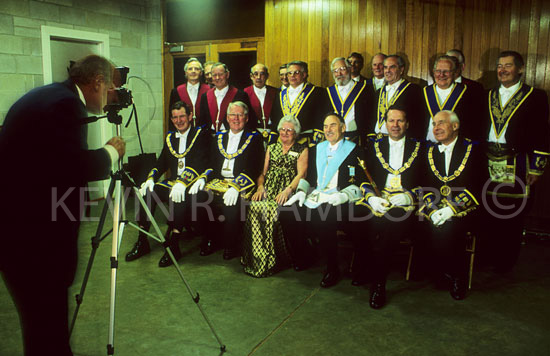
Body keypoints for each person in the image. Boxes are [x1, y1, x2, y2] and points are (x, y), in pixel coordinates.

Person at [0, 54, 125, 356]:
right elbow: (73, 167)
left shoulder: (48, 96)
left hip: (17, 232)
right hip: (34, 241)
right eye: (110, 88)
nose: (112, 97)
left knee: (40, 328)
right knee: (47, 329)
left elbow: (49, 163)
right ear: (97, 83)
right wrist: (110, 152)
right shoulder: (66, 106)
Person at [280, 113, 366, 287]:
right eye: (326, 126)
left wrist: (344, 195)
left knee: (323, 217)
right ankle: (305, 256)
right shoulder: (317, 149)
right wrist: (301, 191)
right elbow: (309, 177)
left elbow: (359, 181)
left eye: (333, 125)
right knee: (286, 212)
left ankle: (332, 269)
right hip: (316, 195)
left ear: (343, 128)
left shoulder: (354, 150)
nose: (328, 130)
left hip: (340, 198)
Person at [483, 51, 549, 272]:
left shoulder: (535, 96)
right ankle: (488, 256)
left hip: (518, 160)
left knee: (512, 212)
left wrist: (537, 167)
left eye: (508, 66)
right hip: (488, 160)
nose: (502, 70)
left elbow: (542, 133)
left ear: (520, 69)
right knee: (488, 208)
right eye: (499, 65)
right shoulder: (487, 94)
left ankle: (505, 261)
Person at [353, 107, 424, 309]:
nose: (395, 125)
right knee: (354, 217)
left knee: (390, 227)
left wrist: (409, 195)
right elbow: (361, 176)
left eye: (400, 121)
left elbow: (427, 180)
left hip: (404, 204)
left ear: (407, 124)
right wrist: (371, 198)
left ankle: (378, 283)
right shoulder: (373, 146)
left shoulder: (419, 148)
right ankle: (363, 268)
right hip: (377, 199)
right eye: (391, 121)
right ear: (385, 124)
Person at [125, 101, 210, 267]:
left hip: (194, 184)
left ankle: (174, 245)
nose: (179, 121)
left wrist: (183, 182)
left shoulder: (200, 135)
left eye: (182, 116)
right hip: (172, 183)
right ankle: (142, 241)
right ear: (171, 119)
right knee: (147, 193)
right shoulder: (171, 137)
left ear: (190, 116)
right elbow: (161, 162)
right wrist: (151, 178)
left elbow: (201, 162)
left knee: (179, 196)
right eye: (175, 117)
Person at [419, 110, 485, 301]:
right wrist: (432, 210)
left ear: (455, 126)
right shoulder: (430, 151)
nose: (436, 128)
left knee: (451, 228)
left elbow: (478, 185)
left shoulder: (473, 150)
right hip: (435, 208)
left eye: (441, 123)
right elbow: (424, 184)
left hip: (466, 209)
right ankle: (437, 271)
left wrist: (451, 209)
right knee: (419, 224)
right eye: (434, 124)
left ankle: (457, 276)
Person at [189, 101, 264, 260]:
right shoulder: (218, 137)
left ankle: (231, 244)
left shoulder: (254, 138)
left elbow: (254, 167)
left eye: (240, 115)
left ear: (246, 118)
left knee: (231, 205)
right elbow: (210, 163)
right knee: (198, 198)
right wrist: (203, 178)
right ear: (227, 118)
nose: (236, 119)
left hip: (242, 183)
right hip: (218, 181)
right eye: (232, 115)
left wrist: (236, 186)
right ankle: (210, 238)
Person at [242, 115, 308, 277]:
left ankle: (275, 259)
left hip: (286, 191)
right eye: (282, 129)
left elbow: (302, 174)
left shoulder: (302, 149)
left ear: (296, 133)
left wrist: (288, 190)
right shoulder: (271, 147)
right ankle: (257, 258)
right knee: (255, 207)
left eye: (289, 130)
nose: (285, 133)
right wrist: (260, 187)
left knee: (272, 211)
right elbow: (262, 173)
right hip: (268, 189)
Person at [422, 55, 480, 143]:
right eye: (438, 71)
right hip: (428, 145)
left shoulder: (468, 93)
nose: (441, 75)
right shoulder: (424, 93)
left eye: (446, 71)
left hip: (457, 147)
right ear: (433, 72)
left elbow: (474, 125)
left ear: (455, 73)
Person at [270, 60, 328, 145]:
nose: (292, 76)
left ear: (304, 74)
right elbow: (275, 119)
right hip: (283, 142)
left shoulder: (317, 92)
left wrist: (315, 142)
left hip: (306, 142)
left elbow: (320, 119)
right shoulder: (279, 94)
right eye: (290, 73)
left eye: (296, 72)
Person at [373, 54, 424, 140]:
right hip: (379, 140)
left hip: (402, 141)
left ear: (401, 69)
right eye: (385, 67)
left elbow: (418, 120)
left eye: (392, 67)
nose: (387, 71)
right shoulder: (379, 92)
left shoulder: (413, 90)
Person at [326, 57, 374, 145]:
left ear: (350, 69)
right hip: (334, 139)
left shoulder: (364, 89)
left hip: (357, 138)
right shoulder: (328, 92)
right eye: (335, 71)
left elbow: (371, 116)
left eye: (342, 69)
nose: (339, 73)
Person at [197, 62, 254, 132]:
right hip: (210, 137)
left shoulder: (240, 95)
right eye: (214, 75)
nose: (217, 78)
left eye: (220, 74)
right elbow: (202, 121)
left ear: (227, 74)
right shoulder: (205, 96)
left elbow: (249, 119)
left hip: (232, 137)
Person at [169, 58, 210, 126]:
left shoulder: (209, 90)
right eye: (190, 69)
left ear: (201, 72)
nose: (193, 71)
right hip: (183, 131)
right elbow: (172, 115)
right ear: (186, 72)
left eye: (196, 69)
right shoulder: (176, 91)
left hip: (204, 132)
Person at [244, 63, 279, 139]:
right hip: (252, 134)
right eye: (255, 74)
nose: (258, 77)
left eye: (262, 74)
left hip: (273, 133)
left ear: (267, 76)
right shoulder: (244, 93)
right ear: (251, 76)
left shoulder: (275, 92)